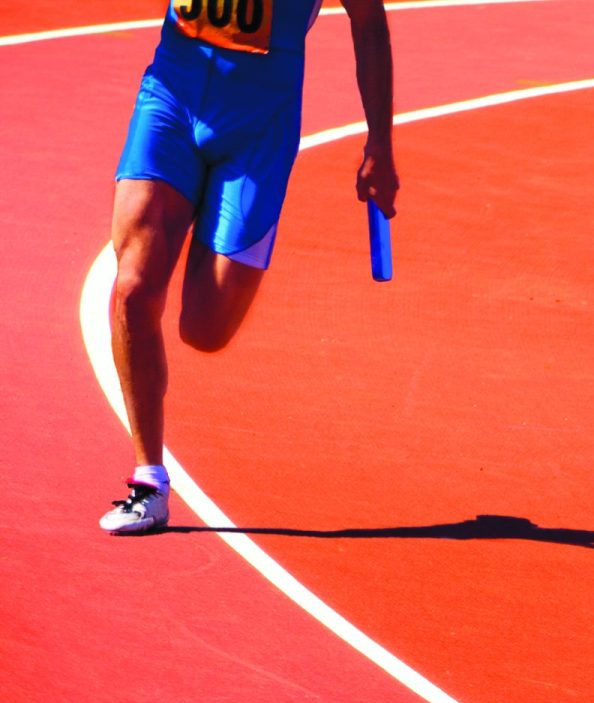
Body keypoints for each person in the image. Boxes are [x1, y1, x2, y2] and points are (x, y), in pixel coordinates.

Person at [100, 0, 399, 535]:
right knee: (133, 290)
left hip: (259, 128)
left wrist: (379, 141)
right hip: (170, 97)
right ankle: (149, 482)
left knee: (204, 329)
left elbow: (369, 20)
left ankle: (226, 225)